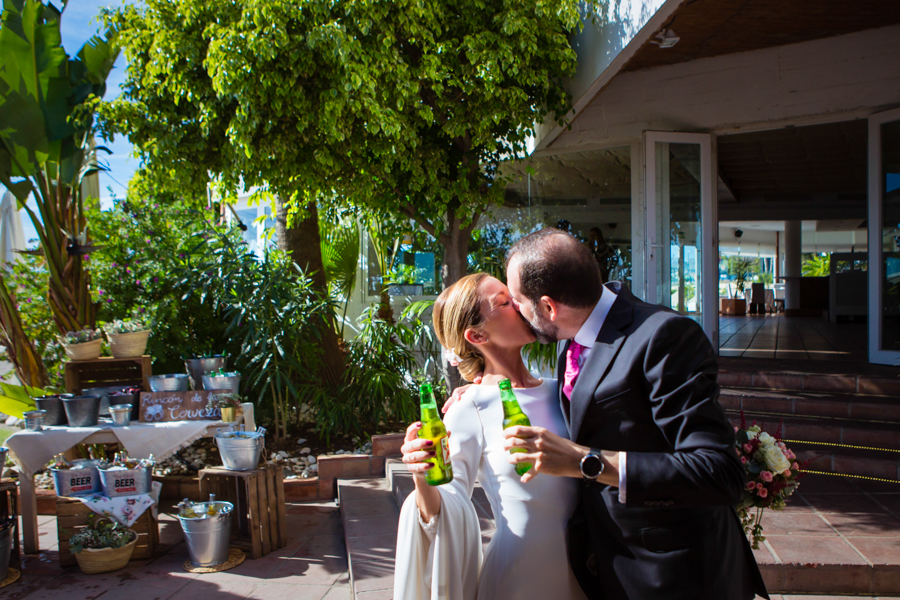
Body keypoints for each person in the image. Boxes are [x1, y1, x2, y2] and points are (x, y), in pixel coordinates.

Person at [445, 228, 768, 600]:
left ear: (548, 307)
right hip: (598, 569)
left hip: (674, 574)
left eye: (516, 301)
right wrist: (481, 389)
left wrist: (587, 462)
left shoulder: (664, 336)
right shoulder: (574, 334)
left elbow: (720, 473)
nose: (516, 310)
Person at [393, 273, 587, 600]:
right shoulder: (469, 407)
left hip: (590, 571)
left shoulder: (565, 391)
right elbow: (450, 498)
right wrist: (423, 477)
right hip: (519, 580)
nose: (520, 303)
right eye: (504, 302)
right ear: (477, 336)